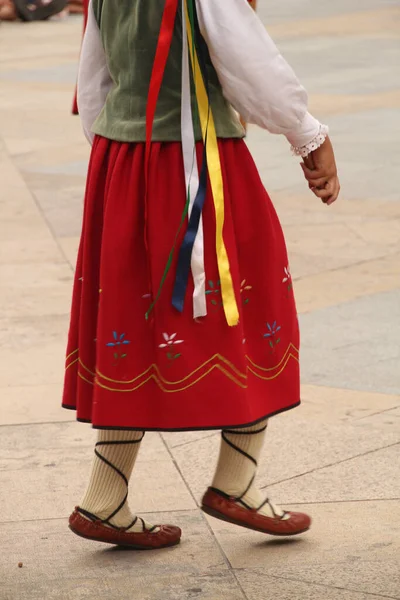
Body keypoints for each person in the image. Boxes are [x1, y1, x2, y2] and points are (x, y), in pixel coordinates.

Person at [63, 0, 340, 550]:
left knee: (132, 320)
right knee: (257, 303)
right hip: (194, 164)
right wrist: (306, 133)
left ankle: (106, 496)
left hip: (123, 162)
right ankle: (235, 481)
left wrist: (117, 163)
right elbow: (248, 61)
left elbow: (94, 77)